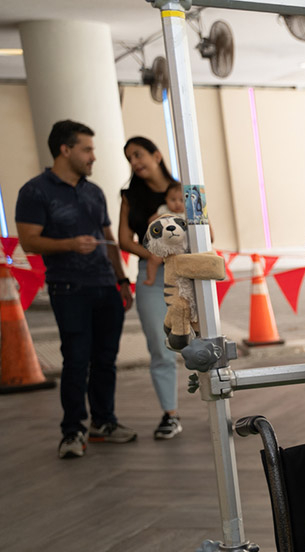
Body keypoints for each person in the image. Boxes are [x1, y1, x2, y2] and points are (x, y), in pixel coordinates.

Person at [16, 119, 137, 459]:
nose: (93, 157)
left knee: (105, 360)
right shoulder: (35, 191)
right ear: (65, 150)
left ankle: (104, 422)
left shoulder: (93, 191)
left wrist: (122, 280)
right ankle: (72, 431)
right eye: (87, 149)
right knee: (76, 360)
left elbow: (109, 240)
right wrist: (70, 243)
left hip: (106, 287)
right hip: (69, 289)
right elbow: (28, 241)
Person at [118, 136, 183, 440]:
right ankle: (170, 414)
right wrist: (154, 256)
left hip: (187, 273)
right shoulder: (130, 196)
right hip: (150, 276)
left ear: (157, 155)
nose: (135, 162)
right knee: (160, 345)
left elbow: (209, 231)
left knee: (204, 340)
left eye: (139, 154)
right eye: (130, 158)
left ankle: (221, 403)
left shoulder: (187, 189)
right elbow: (123, 240)